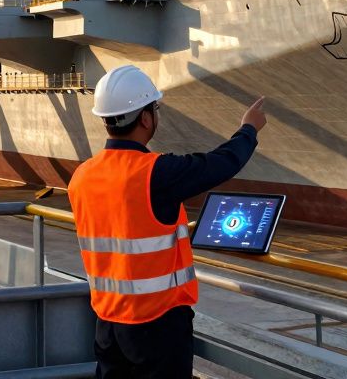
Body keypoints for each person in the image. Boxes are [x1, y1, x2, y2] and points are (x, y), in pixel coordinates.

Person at [70, 65, 266, 378]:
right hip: (157, 324)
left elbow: (127, 222)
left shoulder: (81, 177)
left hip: (107, 322)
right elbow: (221, 163)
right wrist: (248, 129)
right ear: (146, 118)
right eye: (154, 108)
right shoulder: (156, 173)